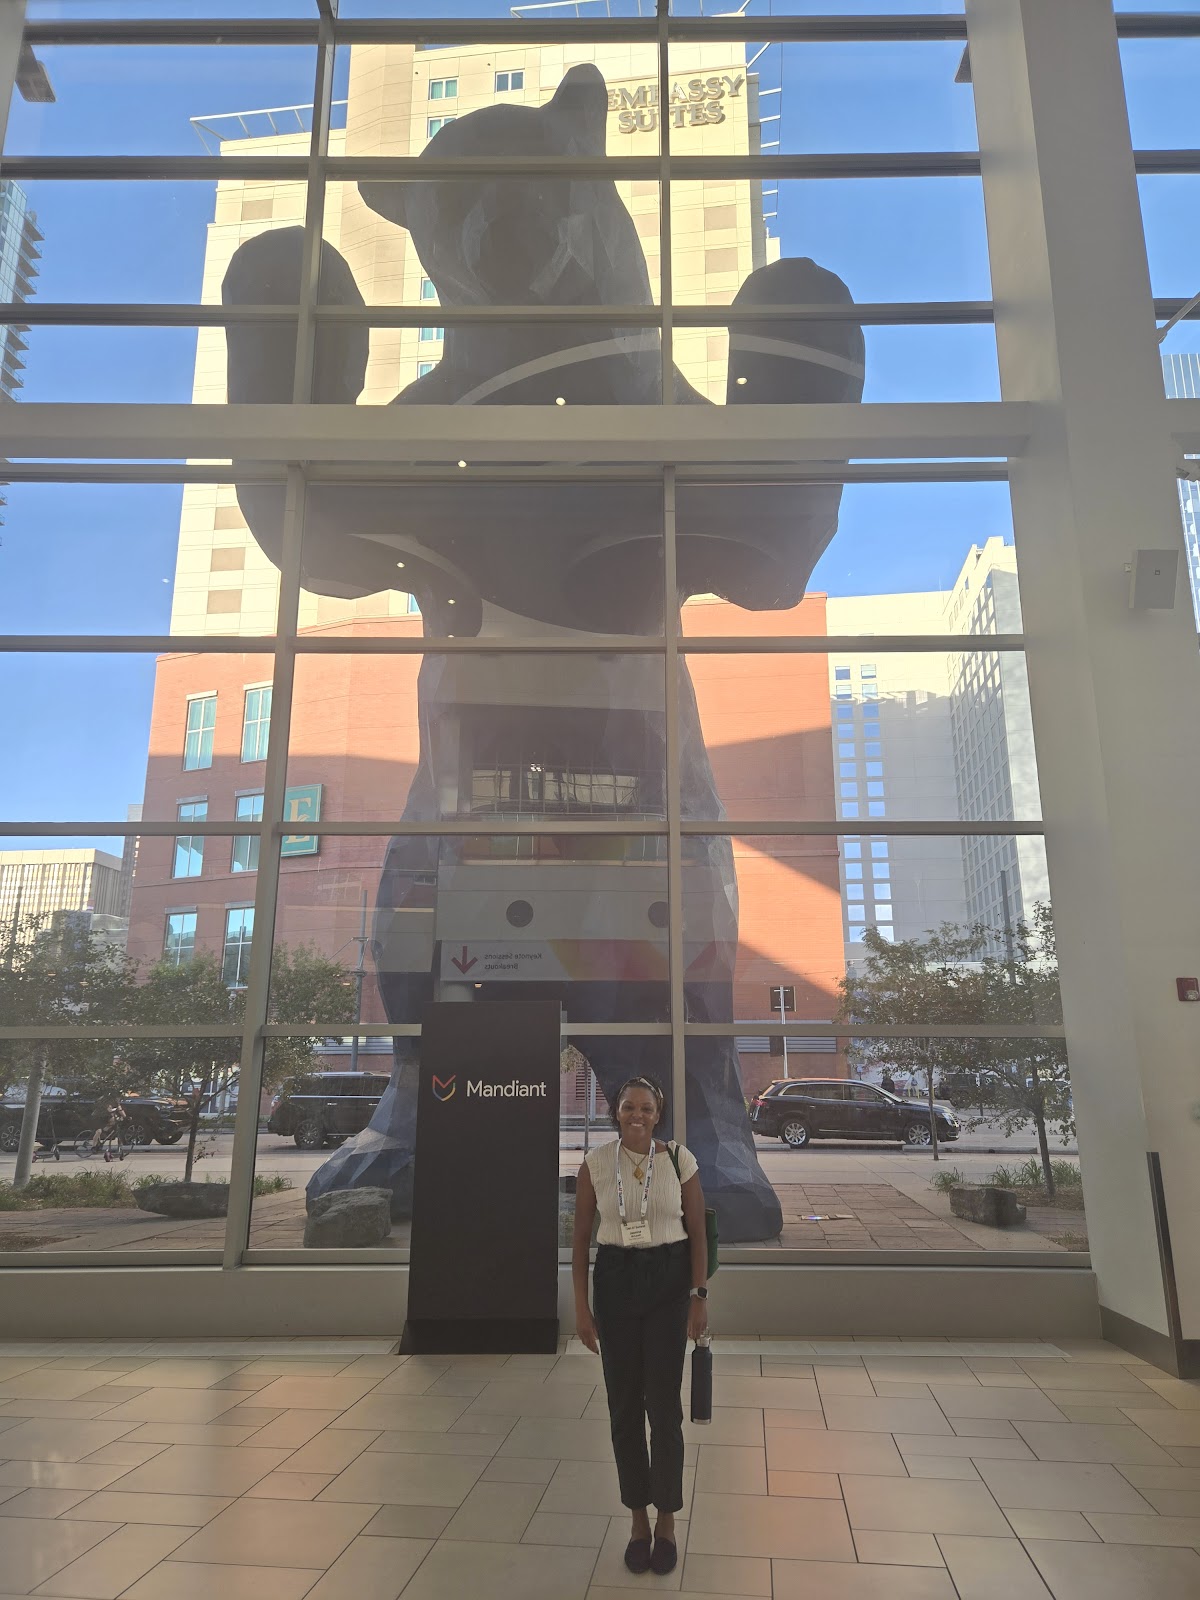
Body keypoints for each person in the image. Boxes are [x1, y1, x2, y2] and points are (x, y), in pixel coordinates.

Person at [572, 1075, 709, 1577]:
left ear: (659, 1112)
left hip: (669, 1283)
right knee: (624, 1404)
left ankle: (668, 1520)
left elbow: (698, 1234)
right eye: (629, 1107)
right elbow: (582, 1239)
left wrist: (699, 1297)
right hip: (615, 1281)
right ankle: (637, 1521)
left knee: (664, 1403)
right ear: (617, 1112)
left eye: (647, 1108)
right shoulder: (595, 1164)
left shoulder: (679, 1160)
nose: (638, 1115)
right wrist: (583, 1310)